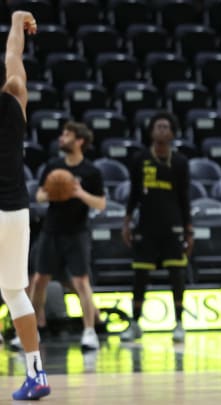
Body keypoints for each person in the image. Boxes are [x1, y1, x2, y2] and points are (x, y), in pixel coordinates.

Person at [17, 122, 105, 352]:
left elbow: (101, 204)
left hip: (77, 232)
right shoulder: (53, 166)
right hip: (51, 230)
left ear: (80, 141)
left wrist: (78, 192)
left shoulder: (91, 172)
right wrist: (55, 192)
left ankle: (89, 332)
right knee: (38, 281)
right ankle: (32, 331)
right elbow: (39, 195)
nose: (62, 138)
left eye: (67, 135)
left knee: (81, 282)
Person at [0, 10, 50, 400]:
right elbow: (13, 57)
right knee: (14, 292)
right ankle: (37, 374)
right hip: (14, 211)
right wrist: (17, 22)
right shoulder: (15, 94)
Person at [121, 111, 193, 343]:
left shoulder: (180, 162)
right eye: (157, 126)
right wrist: (127, 221)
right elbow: (133, 194)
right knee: (140, 276)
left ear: (172, 133)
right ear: (151, 132)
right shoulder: (140, 159)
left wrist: (189, 230)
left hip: (172, 226)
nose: (161, 130)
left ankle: (179, 324)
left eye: (166, 127)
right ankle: (135, 323)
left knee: (177, 275)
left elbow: (185, 198)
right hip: (146, 226)